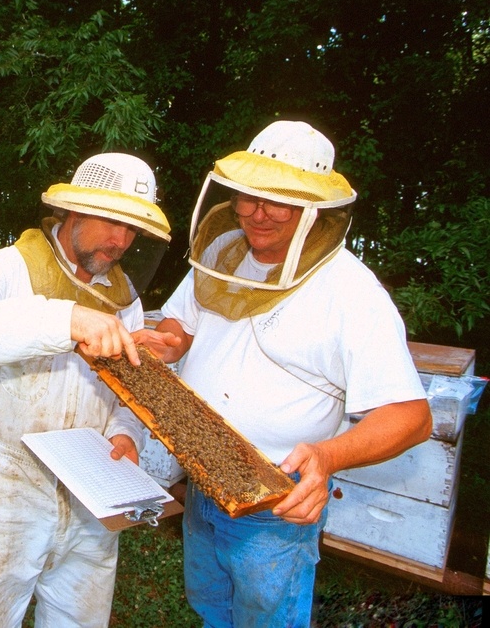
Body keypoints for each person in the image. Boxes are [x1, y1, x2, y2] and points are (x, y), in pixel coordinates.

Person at [143, 121, 432, 627]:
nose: (257, 214)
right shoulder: (221, 252)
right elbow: (182, 323)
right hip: (205, 474)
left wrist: (327, 455)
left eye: (278, 201)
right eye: (250, 197)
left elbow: (411, 417)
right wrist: (169, 342)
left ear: (315, 208)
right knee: (211, 607)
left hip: (275, 500)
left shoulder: (352, 292)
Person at [0, 153, 172, 627]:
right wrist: (66, 320)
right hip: (6, 481)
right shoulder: (7, 269)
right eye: (111, 222)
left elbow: (126, 397)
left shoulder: (125, 300)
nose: (120, 241)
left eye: (132, 229)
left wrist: (125, 435)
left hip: (93, 487)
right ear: (73, 210)